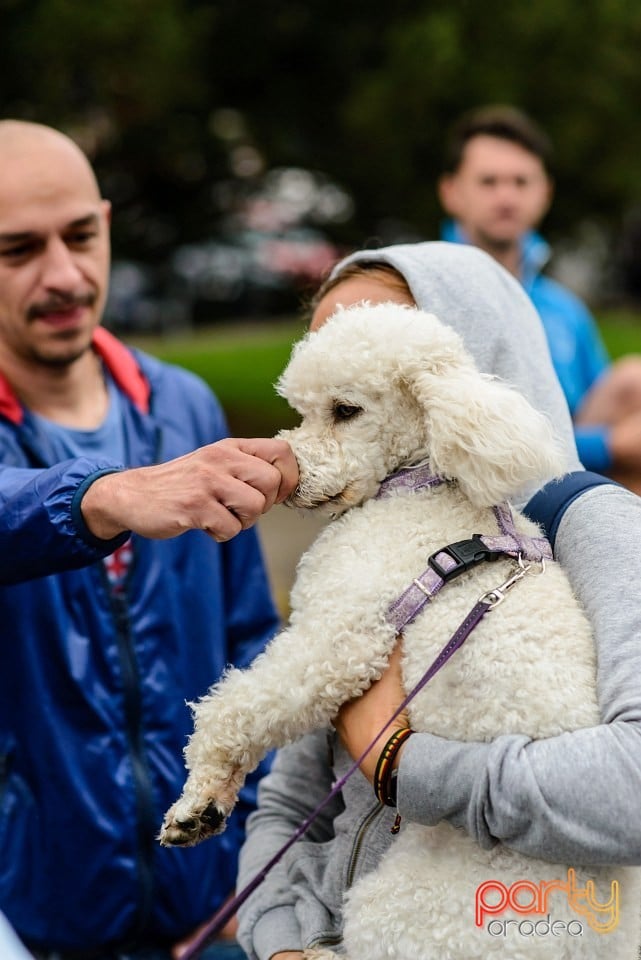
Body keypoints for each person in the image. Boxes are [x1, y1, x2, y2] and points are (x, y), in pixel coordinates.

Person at [235, 241, 641, 960]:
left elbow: (632, 786)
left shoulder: (592, 523)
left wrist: (400, 761)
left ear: (470, 353)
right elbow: (291, 800)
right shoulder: (361, 542)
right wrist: (279, 939)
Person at [0, 119, 298, 960]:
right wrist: (102, 494)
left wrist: (260, 852)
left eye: (81, 235)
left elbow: (251, 646)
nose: (63, 273)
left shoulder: (186, 408)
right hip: (34, 919)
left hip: (213, 911)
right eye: (17, 249)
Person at [437, 103, 641, 494]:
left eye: (520, 181)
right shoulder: (421, 290)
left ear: (544, 192)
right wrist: (610, 446)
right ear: (451, 193)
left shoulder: (564, 309)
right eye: (488, 181)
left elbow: (602, 412)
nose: (507, 196)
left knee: (633, 380)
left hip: (561, 481)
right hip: (467, 490)